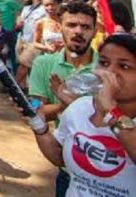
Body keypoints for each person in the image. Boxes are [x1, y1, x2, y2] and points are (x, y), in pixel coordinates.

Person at [28, 34, 136, 196]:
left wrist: (110, 109)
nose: (110, 73)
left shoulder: (107, 109)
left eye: (124, 66)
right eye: (104, 63)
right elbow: (59, 158)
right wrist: (39, 126)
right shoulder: (81, 107)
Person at [28, 1, 99, 196]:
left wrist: (74, 103)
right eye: (71, 25)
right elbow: (36, 108)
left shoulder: (108, 67)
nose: (78, 31)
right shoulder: (43, 64)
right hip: (69, 171)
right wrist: (62, 104)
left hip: (113, 171)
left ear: (95, 30)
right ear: (60, 28)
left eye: (85, 27)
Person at [15, 0, 47, 88]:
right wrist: (18, 22)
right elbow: (20, 19)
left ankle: (14, 85)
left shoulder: (43, 9)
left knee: (24, 64)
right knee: (21, 62)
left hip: (34, 41)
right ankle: (23, 87)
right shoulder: (26, 8)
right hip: (23, 38)